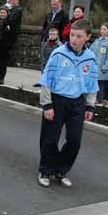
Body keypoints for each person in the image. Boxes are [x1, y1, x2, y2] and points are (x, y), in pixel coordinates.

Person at [38, 19, 98, 188]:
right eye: (72, 35)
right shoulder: (59, 53)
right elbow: (46, 80)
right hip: (57, 100)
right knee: (50, 138)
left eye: (79, 36)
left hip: (77, 102)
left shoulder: (90, 58)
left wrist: (90, 106)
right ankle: (46, 170)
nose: (74, 39)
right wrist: (47, 104)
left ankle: (60, 169)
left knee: (74, 140)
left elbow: (92, 84)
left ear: (87, 37)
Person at [90, 24, 108, 104]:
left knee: (100, 85)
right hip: (94, 67)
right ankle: (93, 98)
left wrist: (104, 68)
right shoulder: (97, 41)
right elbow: (90, 51)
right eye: (101, 29)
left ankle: (99, 99)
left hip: (102, 69)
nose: (103, 31)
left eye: (105, 29)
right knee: (94, 83)